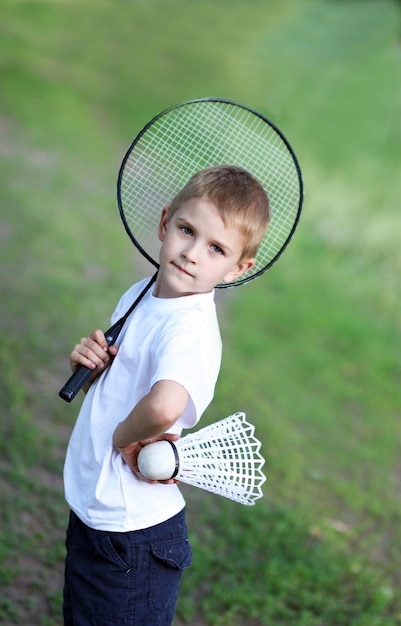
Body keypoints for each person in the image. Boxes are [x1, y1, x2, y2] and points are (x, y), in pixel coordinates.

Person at [62, 164, 271, 626]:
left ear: (239, 268)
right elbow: (119, 378)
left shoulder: (189, 328)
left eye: (216, 248)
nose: (193, 253)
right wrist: (89, 365)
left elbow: (164, 405)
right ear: (164, 223)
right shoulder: (142, 294)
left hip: (133, 538)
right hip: (98, 518)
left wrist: (121, 438)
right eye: (186, 230)